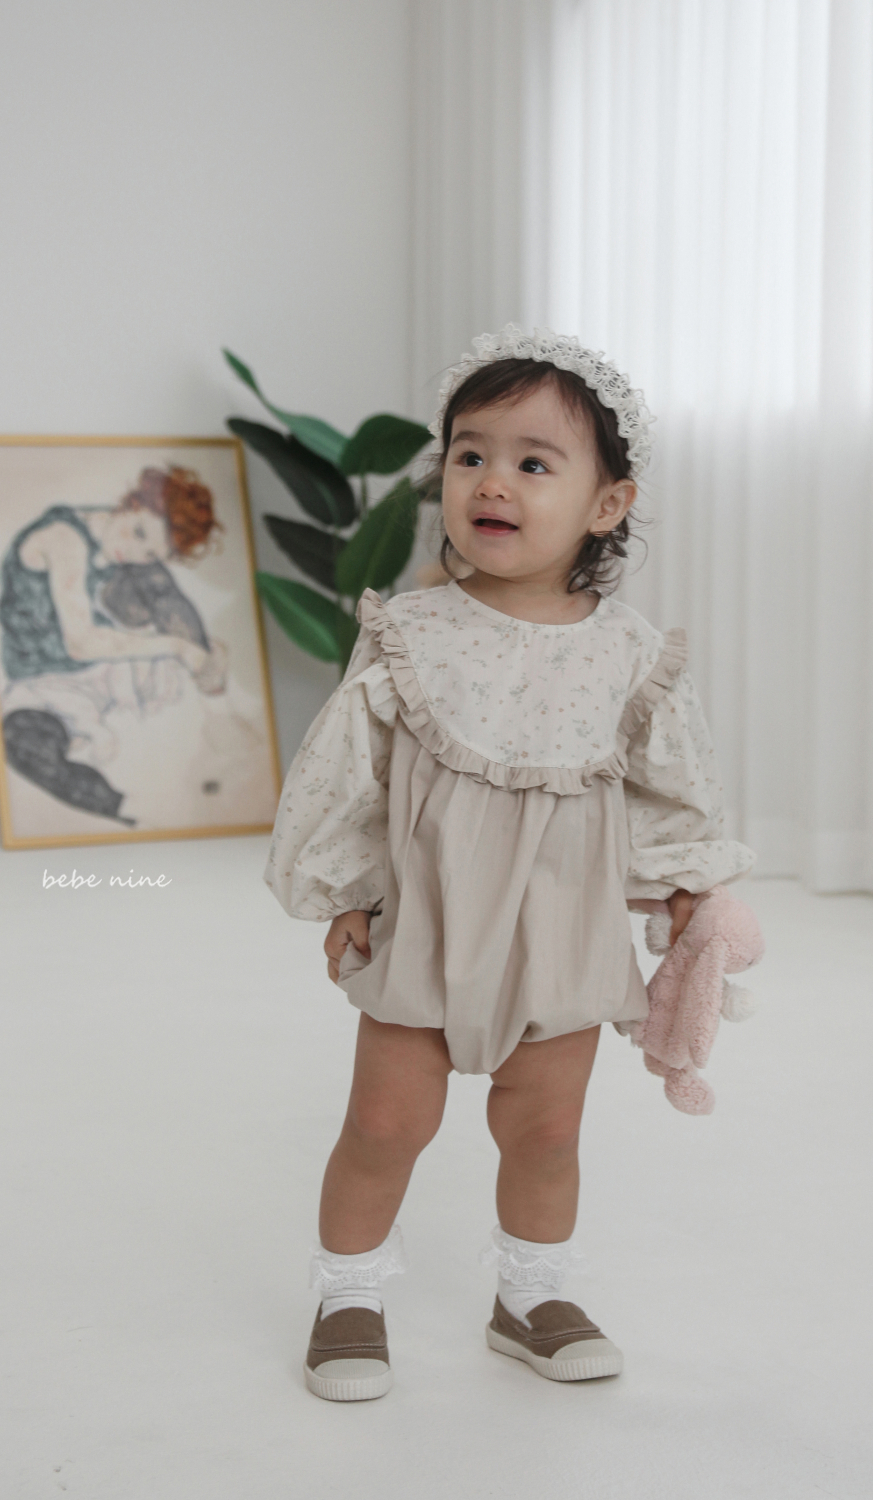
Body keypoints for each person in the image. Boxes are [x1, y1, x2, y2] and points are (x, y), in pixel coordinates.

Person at [264, 325, 756, 1401]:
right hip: (430, 920)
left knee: (546, 1131)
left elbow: (674, 784)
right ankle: (348, 1296)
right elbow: (348, 773)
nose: (491, 480)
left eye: (534, 462)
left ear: (606, 504)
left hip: (565, 933)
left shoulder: (630, 653)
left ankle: (530, 1298)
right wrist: (346, 891)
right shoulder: (411, 632)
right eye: (469, 455)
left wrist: (686, 889)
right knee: (383, 1123)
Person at [0, 465, 227, 822]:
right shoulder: (64, 537)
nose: (133, 550)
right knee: (25, 746)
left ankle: (212, 679)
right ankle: (128, 809)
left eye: (150, 552)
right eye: (138, 532)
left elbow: (158, 589)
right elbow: (81, 643)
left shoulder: (121, 546)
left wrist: (191, 649)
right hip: (41, 679)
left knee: (154, 581)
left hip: (99, 671)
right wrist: (176, 647)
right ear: (131, 504)